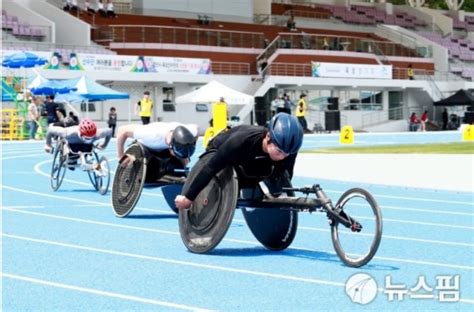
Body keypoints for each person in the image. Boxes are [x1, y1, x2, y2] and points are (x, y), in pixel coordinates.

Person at [175, 113, 304, 210]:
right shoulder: (241, 141)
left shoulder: (289, 148)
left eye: (286, 153)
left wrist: (282, 192)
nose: (282, 156)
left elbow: (286, 174)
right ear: (268, 136)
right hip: (220, 147)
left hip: (253, 155)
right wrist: (188, 198)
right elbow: (210, 167)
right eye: (279, 150)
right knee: (246, 171)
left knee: (268, 169)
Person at [116, 122, 198, 180]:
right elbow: (122, 130)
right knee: (149, 174)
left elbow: (196, 128)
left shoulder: (189, 132)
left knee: (177, 169)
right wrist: (120, 156)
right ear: (170, 146)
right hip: (146, 147)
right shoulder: (152, 133)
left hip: (163, 149)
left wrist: (184, 156)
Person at [44, 118, 112, 170]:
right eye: (86, 137)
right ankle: (71, 160)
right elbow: (50, 129)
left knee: (88, 147)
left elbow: (109, 131)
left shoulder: (98, 134)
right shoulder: (68, 132)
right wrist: (48, 145)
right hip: (72, 146)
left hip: (86, 148)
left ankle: (87, 157)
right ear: (80, 133)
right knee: (70, 148)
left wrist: (104, 144)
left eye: (90, 137)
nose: (88, 139)